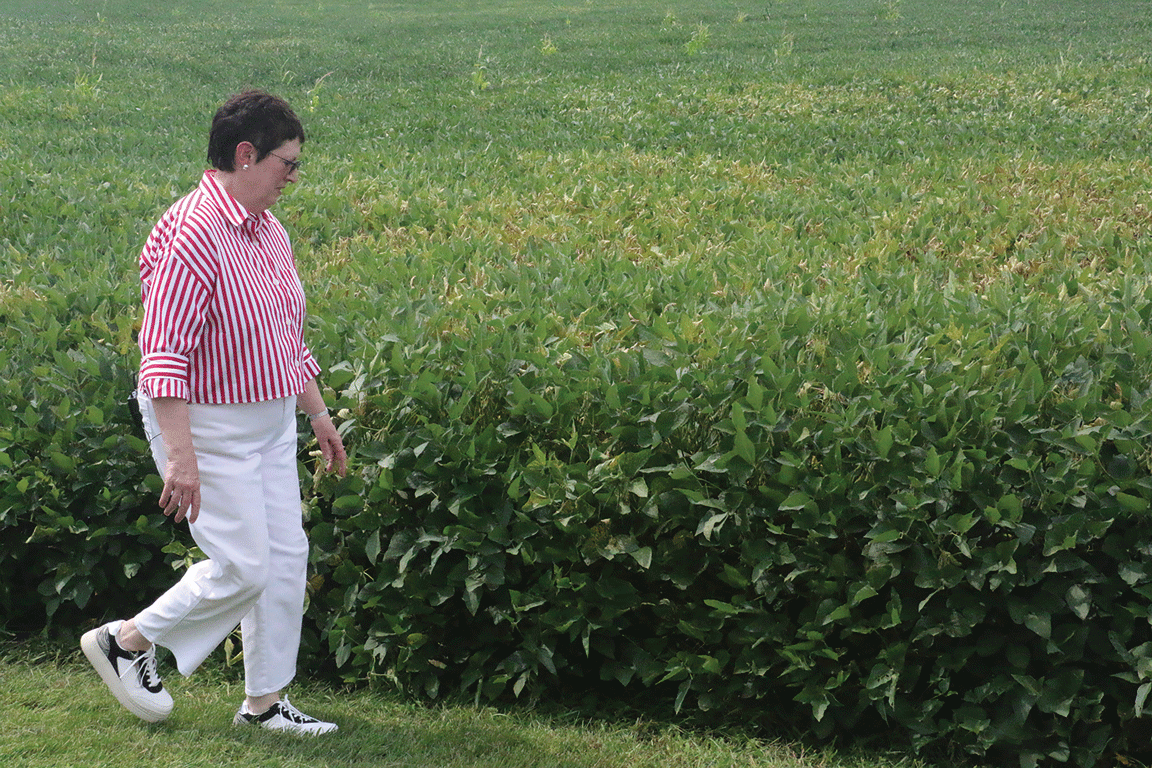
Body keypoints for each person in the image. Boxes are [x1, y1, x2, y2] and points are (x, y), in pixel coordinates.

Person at [81, 90, 347, 735]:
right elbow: (162, 355)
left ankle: (264, 706)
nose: (293, 175)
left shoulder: (268, 231)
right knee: (243, 567)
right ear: (246, 154)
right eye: (288, 162)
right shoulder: (193, 233)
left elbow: (284, 337)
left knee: (285, 561)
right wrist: (181, 456)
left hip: (271, 420)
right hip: (207, 425)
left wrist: (316, 415)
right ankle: (128, 641)